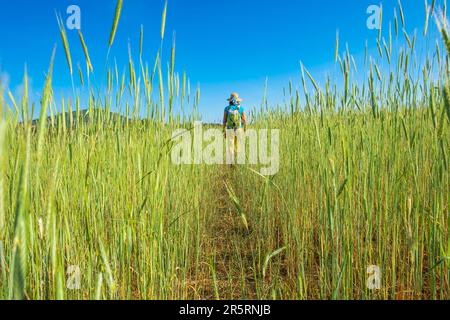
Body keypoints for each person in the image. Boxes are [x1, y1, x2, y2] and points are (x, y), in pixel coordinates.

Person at [223, 92, 247, 164]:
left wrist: (224, 131)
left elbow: (224, 121)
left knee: (230, 146)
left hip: (229, 129)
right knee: (238, 145)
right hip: (238, 129)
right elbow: (244, 120)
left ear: (230, 100)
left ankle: (231, 163)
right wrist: (245, 130)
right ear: (238, 100)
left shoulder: (226, 108)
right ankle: (238, 161)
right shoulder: (241, 108)